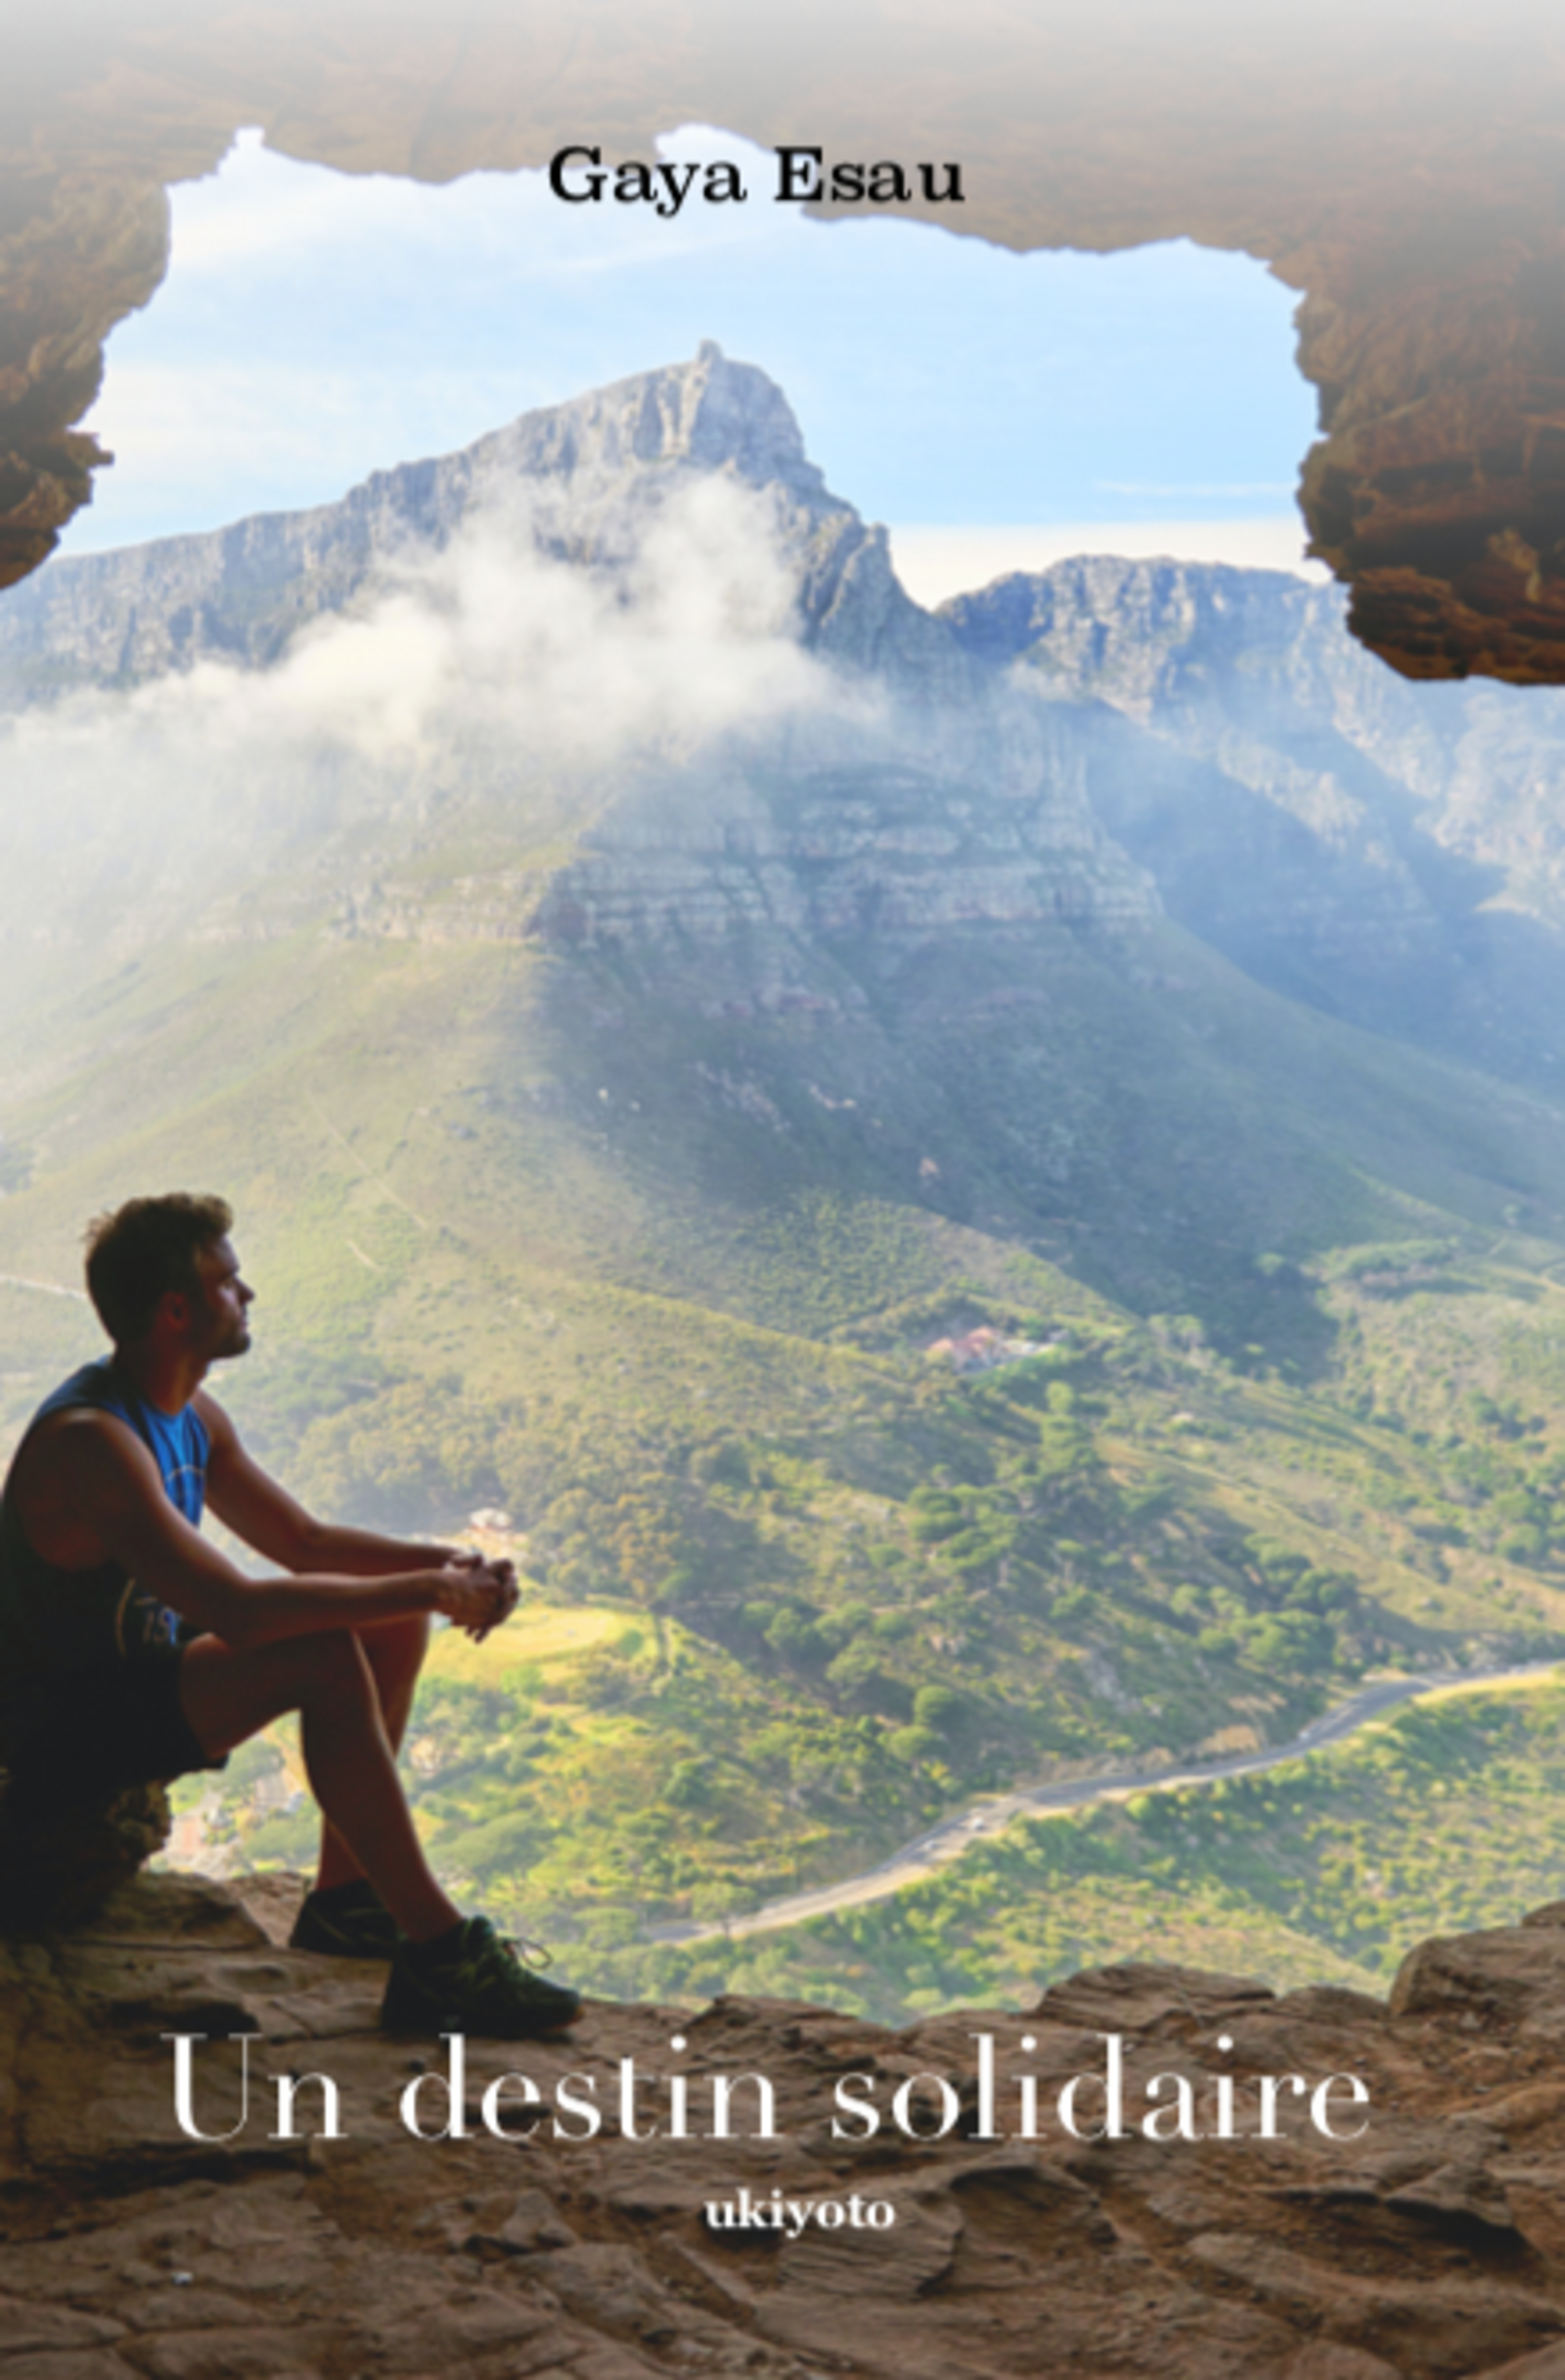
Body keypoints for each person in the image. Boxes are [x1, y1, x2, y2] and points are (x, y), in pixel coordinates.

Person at [0, 1191, 581, 2039]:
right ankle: (440, 1954)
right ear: (175, 1310)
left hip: (138, 1678)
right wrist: (430, 1589)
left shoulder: (189, 1415)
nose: (248, 1294)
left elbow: (304, 1541)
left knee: (386, 1621)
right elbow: (234, 1607)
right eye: (227, 1281)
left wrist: (448, 1568)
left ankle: (349, 1904)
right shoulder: (93, 1440)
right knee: (323, 1655)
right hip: (65, 1727)